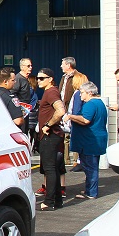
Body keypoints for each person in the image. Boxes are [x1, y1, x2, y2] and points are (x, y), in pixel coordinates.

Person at [67, 81, 108, 199]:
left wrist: (70, 116)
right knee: (91, 166)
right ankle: (89, 190)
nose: (80, 95)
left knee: (90, 167)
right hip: (94, 140)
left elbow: (85, 120)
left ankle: (91, 192)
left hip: (90, 141)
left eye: (82, 92)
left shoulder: (91, 104)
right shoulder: (99, 103)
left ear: (89, 93)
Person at [35, 68, 66, 211]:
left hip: (50, 136)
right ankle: (57, 201)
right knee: (53, 168)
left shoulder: (51, 92)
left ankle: (49, 202)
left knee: (50, 169)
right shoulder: (49, 92)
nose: (38, 80)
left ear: (50, 79)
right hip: (51, 136)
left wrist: (48, 125)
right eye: (37, 78)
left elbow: (61, 111)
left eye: (42, 78)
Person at [11, 58, 34, 135]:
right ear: (22, 67)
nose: (30, 68)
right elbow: (13, 93)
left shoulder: (26, 79)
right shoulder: (18, 79)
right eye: (28, 66)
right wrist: (19, 106)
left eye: (31, 65)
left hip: (26, 111)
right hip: (21, 111)